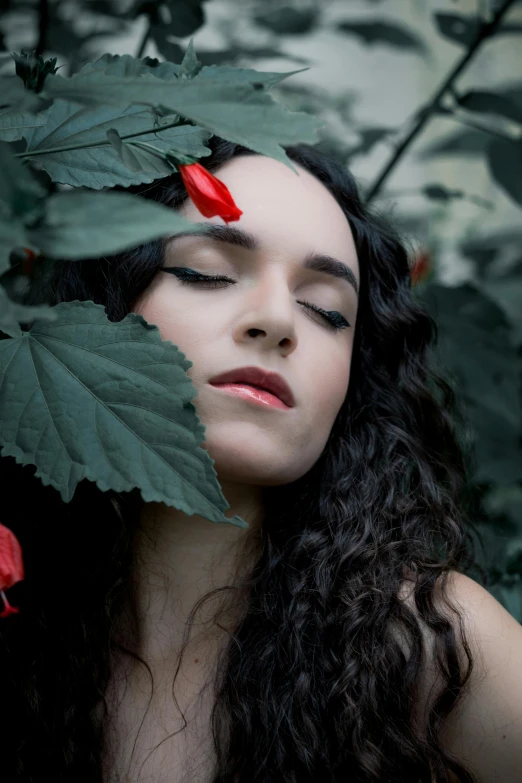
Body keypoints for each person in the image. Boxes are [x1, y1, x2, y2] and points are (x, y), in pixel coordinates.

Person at [1, 136, 521, 783]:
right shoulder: (16, 633)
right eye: (206, 272)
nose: (278, 319)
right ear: (92, 311)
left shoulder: (437, 649)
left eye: (326, 310)